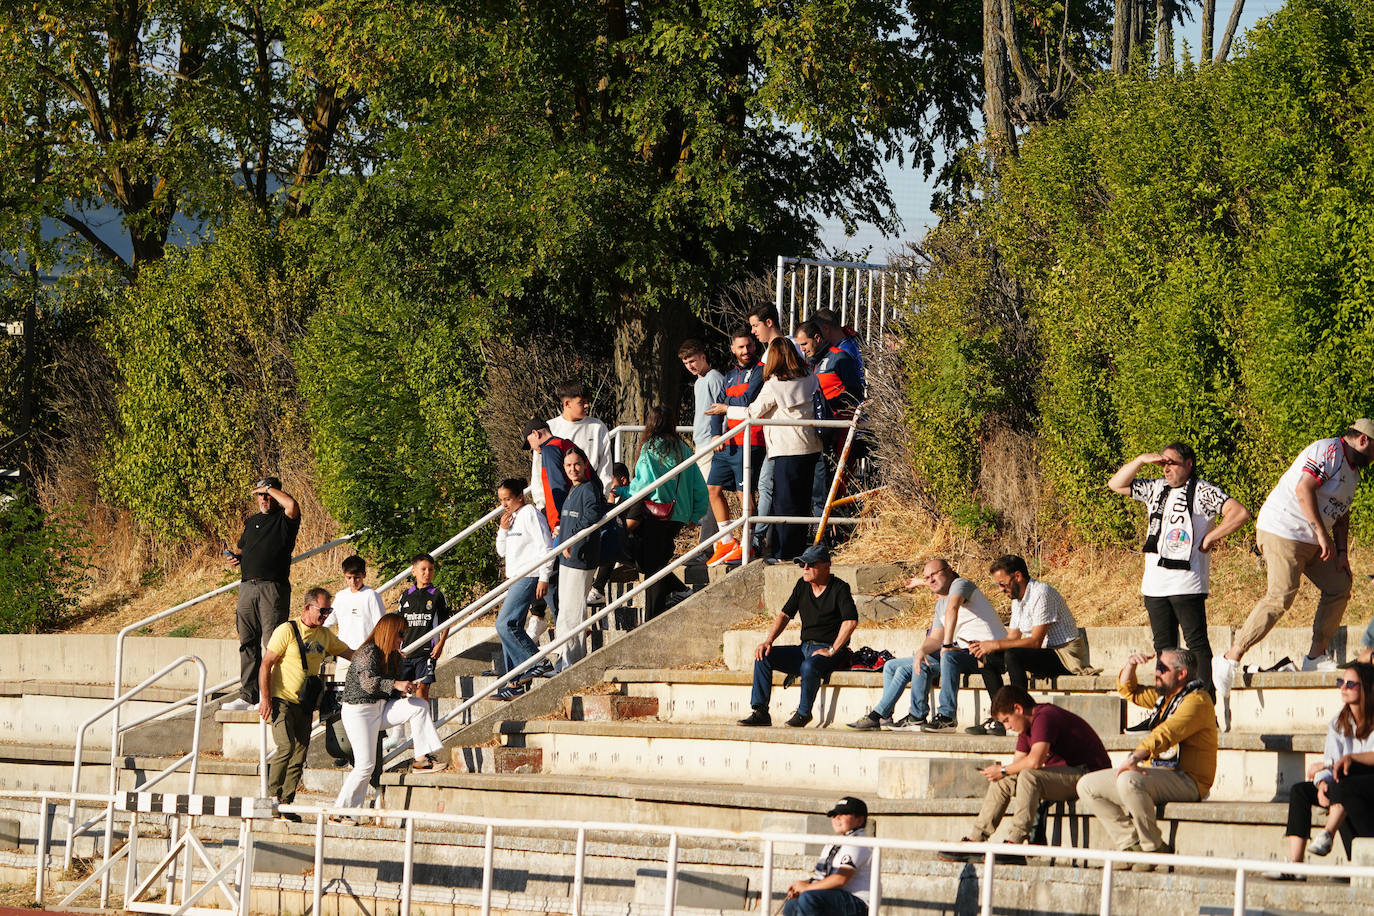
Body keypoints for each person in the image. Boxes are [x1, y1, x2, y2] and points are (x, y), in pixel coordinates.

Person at [1214, 422, 1374, 722]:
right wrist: (1321, 535)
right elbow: (1304, 489)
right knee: (1281, 596)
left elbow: (1341, 514)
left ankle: (1315, 656)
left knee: (1340, 585)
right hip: (1282, 530)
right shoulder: (1329, 450)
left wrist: (1341, 553)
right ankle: (1229, 657)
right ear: (1363, 440)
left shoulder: (1352, 472)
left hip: (1315, 541)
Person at [1107, 443, 1251, 702]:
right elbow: (1115, 484)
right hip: (1154, 584)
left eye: (1172, 463)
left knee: (1196, 646)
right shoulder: (1155, 488)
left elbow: (1239, 513)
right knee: (1164, 650)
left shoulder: (1202, 491)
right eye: (1163, 463)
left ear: (1189, 464)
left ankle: (1204, 703)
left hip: (1187, 582)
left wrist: (1210, 538)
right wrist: (1140, 459)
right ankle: (1167, 704)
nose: (1166, 469)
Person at [1077, 648, 1217, 869]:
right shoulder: (1165, 698)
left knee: (1128, 780)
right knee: (1087, 785)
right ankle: (1130, 846)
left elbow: (1167, 733)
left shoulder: (1198, 701)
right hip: (1158, 774)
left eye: (1162, 668)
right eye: (1156, 667)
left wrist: (1135, 757)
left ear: (1181, 674)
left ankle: (1153, 848)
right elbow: (1128, 690)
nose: (1156, 673)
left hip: (1189, 780)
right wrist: (1131, 664)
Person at [940, 686, 1111, 860]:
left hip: (1090, 776)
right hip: (1065, 775)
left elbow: (1034, 761)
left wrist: (1003, 770)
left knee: (1028, 776)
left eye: (1007, 720)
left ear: (1018, 709)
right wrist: (1003, 773)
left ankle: (1016, 842)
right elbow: (1017, 766)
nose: (1007, 727)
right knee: (1004, 781)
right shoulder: (1024, 727)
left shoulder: (1045, 717)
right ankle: (975, 840)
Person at [846, 558, 1007, 733]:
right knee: (920, 662)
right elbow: (935, 638)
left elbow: (953, 609)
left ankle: (947, 717)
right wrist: (921, 651)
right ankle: (913, 716)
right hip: (967, 653)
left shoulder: (961, 584)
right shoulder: (940, 605)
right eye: (927, 577)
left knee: (948, 655)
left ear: (949, 571)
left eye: (934, 575)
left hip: (992, 651)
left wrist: (946, 645)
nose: (930, 580)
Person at [709, 338, 822, 561]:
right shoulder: (810, 377)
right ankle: (799, 549)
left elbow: (752, 412)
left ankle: (784, 553)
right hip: (811, 446)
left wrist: (726, 409)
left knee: (783, 503)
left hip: (786, 448)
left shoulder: (774, 383)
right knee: (801, 501)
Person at [332, 613, 447, 823]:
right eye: (400, 633)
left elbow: (388, 689)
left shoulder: (394, 655)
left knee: (419, 706)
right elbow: (368, 684)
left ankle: (421, 759)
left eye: (404, 634)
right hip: (358, 712)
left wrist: (404, 689)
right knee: (365, 765)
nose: (402, 638)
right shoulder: (367, 652)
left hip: (379, 708)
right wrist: (396, 684)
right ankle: (341, 811)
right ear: (389, 632)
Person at [257, 588, 353, 816]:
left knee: (300, 754)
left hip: (306, 703)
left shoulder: (325, 635)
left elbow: (350, 653)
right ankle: (271, 798)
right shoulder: (287, 630)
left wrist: (380, 655)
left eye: (329, 611)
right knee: (286, 747)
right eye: (322, 610)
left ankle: (286, 802)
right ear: (308, 608)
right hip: (282, 700)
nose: (326, 615)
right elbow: (266, 664)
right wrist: (265, 698)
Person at [739, 544, 856, 727]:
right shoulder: (802, 585)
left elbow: (850, 621)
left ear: (826, 566)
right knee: (763, 657)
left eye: (810, 565)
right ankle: (761, 711)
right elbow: (785, 614)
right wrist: (768, 641)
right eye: (803, 565)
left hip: (829, 651)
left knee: (809, 666)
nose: (805, 569)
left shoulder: (839, 588)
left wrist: (832, 650)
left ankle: (803, 713)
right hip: (804, 648)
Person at [1275, 661, 1374, 874]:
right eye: (1341, 682)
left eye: (1350, 684)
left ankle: (1327, 834)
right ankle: (1296, 865)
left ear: (1366, 687)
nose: (1343, 688)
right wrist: (1321, 783)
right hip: (1344, 780)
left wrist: (1350, 759)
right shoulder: (1339, 721)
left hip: (1368, 781)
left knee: (1346, 777)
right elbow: (1331, 760)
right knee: (1300, 791)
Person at [224, 477, 301, 711]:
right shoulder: (253, 521)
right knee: (247, 642)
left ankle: (272, 694)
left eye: (267, 494)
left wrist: (270, 488)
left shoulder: (284, 519)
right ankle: (248, 695)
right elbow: (242, 548)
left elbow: (292, 506)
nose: (264, 498)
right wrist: (235, 557)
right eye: (259, 494)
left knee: (273, 643)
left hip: (272, 588)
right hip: (247, 587)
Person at [628, 406, 709, 619]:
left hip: (655, 514)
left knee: (652, 565)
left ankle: (654, 616)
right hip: (679, 515)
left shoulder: (650, 448)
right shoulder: (684, 449)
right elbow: (700, 487)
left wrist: (623, 492)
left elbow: (642, 484)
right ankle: (672, 596)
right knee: (656, 562)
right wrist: (695, 514)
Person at [971, 555, 1092, 688]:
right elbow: (1012, 637)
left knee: (1013, 655)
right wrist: (984, 646)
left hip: (1064, 656)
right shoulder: (1017, 599)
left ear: (1017, 576)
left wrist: (996, 645)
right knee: (984, 657)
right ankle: (1000, 706)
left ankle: (1020, 706)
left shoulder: (1041, 593)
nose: (1000, 589)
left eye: (1002, 584)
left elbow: (1035, 642)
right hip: (1042, 653)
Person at [704, 329, 764, 567]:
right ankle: (727, 542)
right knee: (713, 488)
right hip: (728, 442)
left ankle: (751, 542)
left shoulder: (761, 371)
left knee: (744, 494)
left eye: (749, 346)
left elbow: (748, 399)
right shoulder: (729, 376)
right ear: (733, 349)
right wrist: (716, 433)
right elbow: (714, 409)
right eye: (740, 347)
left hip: (750, 441)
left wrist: (725, 405)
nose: (745, 351)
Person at [494, 478, 555, 697]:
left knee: (505, 625)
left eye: (508, 499)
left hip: (529, 575)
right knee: (511, 628)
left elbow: (546, 546)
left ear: (520, 496)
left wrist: (544, 576)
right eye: (501, 500)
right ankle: (514, 682)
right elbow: (502, 552)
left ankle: (538, 661)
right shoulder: (511, 519)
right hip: (515, 577)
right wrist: (503, 529)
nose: (505, 504)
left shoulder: (530, 513)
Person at [555, 446, 608, 671]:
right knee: (564, 613)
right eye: (568, 465)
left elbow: (592, 515)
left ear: (585, 465)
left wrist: (573, 539)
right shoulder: (573, 490)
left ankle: (571, 662)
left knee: (572, 614)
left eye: (577, 464)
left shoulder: (589, 489)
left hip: (580, 559)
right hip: (567, 560)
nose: (572, 469)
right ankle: (563, 659)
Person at [783, 796, 872, 916]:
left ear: (860, 820)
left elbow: (840, 879)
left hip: (858, 903)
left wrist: (807, 888)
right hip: (833, 897)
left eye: (844, 814)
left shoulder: (859, 843)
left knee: (808, 898)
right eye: (834, 815)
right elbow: (821, 877)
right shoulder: (834, 843)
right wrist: (802, 885)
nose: (837, 818)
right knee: (793, 902)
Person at [679, 338, 726, 556]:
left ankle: (708, 544)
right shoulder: (699, 382)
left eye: (692, 360)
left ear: (702, 357)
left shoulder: (714, 377)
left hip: (712, 442)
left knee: (709, 493)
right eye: (686, 362)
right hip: (701, 444)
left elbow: (722, 407)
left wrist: (720, 435)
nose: (690, 365)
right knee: (701, 494)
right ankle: (711, 543)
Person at [531, 380, 614, 496]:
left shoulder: (598, 427)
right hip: (557, 496)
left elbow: (605, 467)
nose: (587, 406)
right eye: (581, 402)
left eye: (587, 402)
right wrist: (541, 503)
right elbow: (538, 469)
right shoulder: (548, 428)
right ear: (567, 404)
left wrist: (602, 496)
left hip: (590, 495)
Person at [396, 553, 449, 706]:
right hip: (406, 652)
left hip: (426, 652)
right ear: (414, 571)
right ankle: (399, 730)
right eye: (423, 569)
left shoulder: (437, 595)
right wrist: (396, 647)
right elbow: (397, 625)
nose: (427, 573)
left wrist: (440, 645)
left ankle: (423, 728)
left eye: (431, 569)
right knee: (400, 693)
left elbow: (446, 622)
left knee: (422, 689)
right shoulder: (405, 595)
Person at [326, 555, 385, 655]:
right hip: (343, 652)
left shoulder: (371, 596)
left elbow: (381, 625)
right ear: (344, 575)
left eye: (356, 577)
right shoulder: (341, 596)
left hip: (365, 652)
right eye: (349, 578)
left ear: (364, 575)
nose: (353, 582)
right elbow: (328, 621)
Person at [813, 308, 864, 378]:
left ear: (826, 328)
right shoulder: (852, 341)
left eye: (817, 331)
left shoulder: (844, 351)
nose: (816, 335)